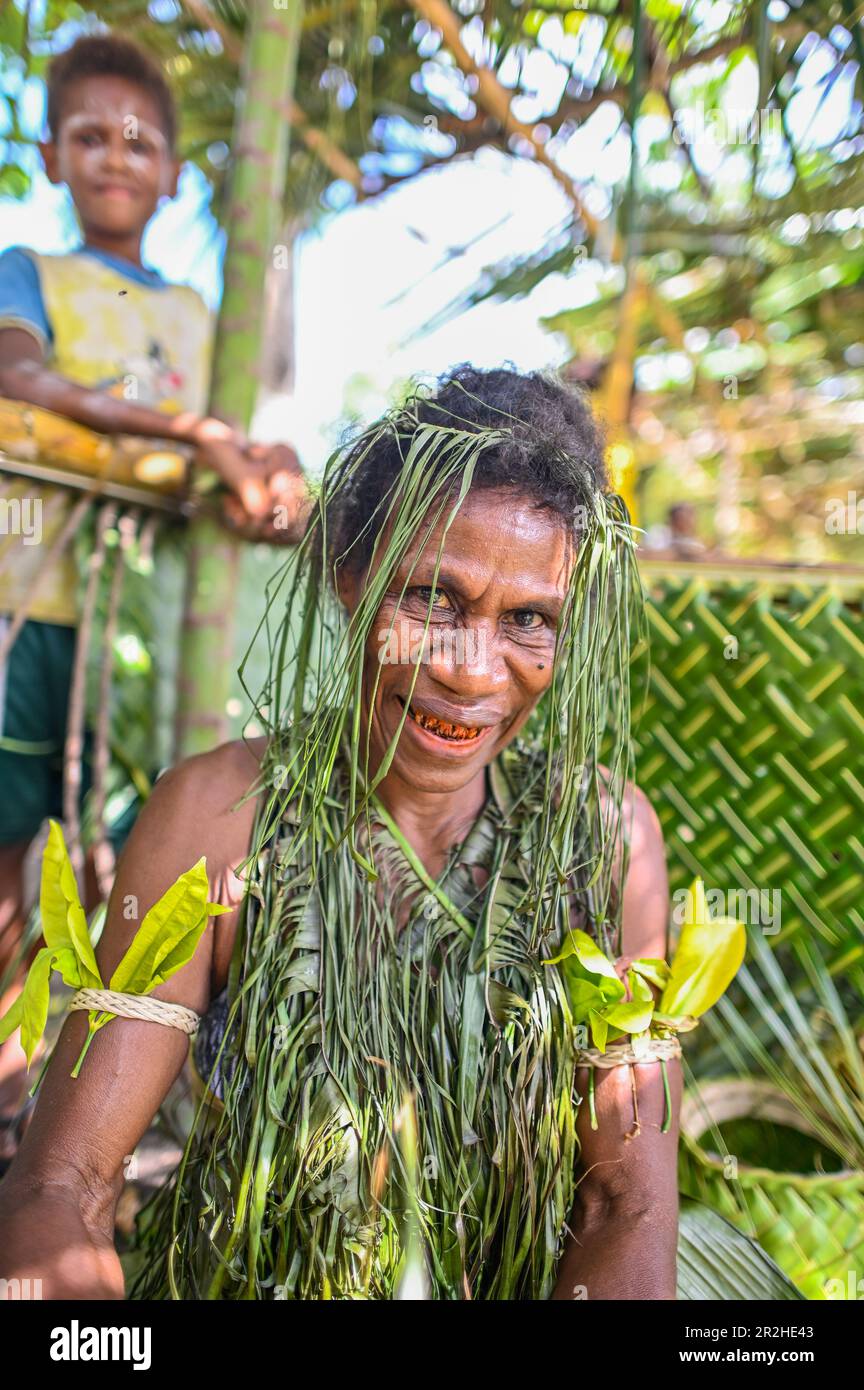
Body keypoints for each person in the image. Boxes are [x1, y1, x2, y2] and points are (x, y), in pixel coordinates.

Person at [0, 367, 678, 1300]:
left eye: (529, 620)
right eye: (433, 597)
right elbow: (63, 1185)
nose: (473, 673)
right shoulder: (221, 815)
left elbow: (626, 1205)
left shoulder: (603, 838)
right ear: (348, 575)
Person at [0, 34, 306, 1162]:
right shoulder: (30, 270)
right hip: (37, 608)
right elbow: (19, 377)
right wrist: (191, 436)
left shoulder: (203, 315)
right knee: (15, 841)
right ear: (53, 154)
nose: (115, 156)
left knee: (138, 847)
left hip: (162, 633)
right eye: (90, 135)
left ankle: (102, 1090)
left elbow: (238, 467)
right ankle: (8, 1080)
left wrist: (256, 471)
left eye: (140, 139)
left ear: (177, 170)